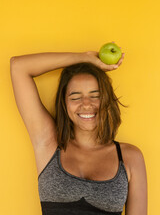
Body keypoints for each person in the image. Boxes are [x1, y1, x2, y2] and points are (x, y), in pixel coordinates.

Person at [10, 46, 147, 215]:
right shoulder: (49, 143)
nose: (86, 104)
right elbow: (18, 67)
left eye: (95, 95)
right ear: (64, 103)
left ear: (106, 100)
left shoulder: (129, 157)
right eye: (75, 97)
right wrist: (84, 58)